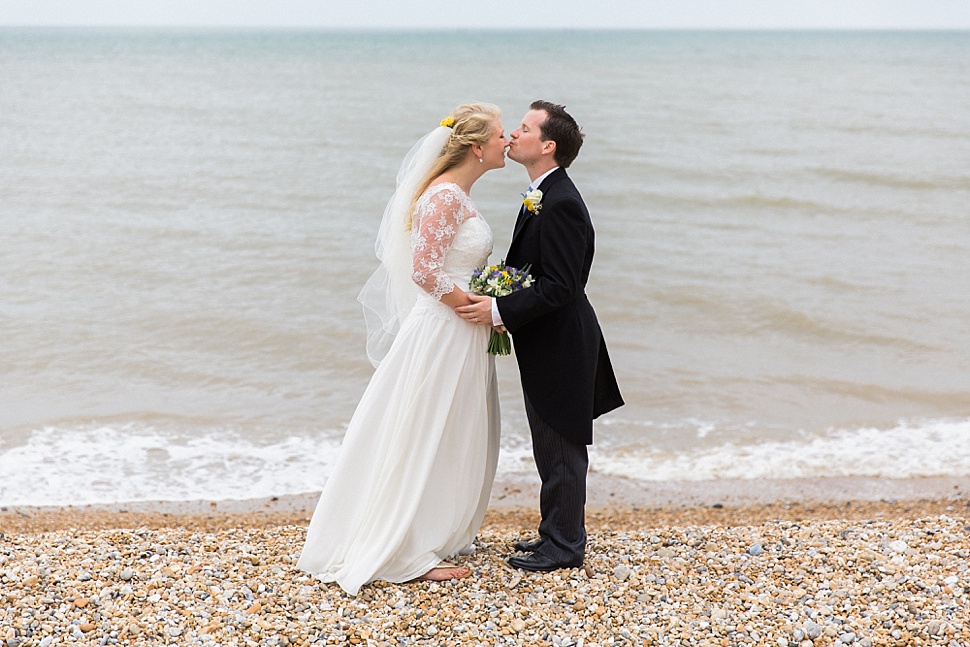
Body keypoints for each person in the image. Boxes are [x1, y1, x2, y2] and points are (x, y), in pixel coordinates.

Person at [296, 103, 509, 596]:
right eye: (500, 135)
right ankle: (404, 545)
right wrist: (472, 306)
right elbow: (425, 271)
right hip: (443, 329)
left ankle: (434, 529)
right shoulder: (445, 197)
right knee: (424, 428)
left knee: (450, 430)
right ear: (477, 147)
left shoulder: (457, 195)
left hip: (461, 330)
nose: (506, 142)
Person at [456, 100, 624, 572]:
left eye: (525, 128)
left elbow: (563, 286)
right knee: (547, 444)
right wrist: (502, 287)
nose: (513, 133)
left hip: (564, 345)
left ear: (547, 146)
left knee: (562, 445)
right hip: (548, 341)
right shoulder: (542, 194)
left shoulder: (563, 202)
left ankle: (565, 547)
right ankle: (554, 534)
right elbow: (535, 272)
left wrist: (498, 307)